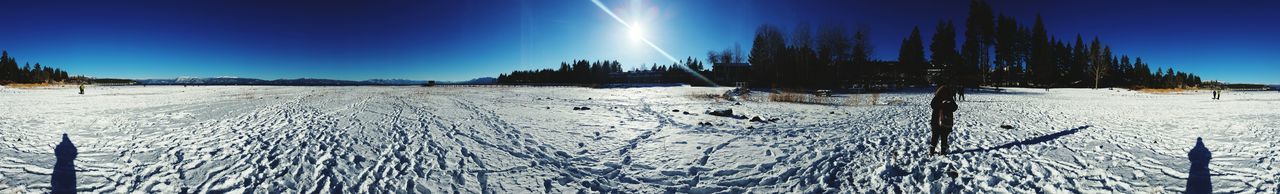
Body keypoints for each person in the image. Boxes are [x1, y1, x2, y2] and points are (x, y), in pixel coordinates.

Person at [929, 85, 959, 155]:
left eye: (946, 92)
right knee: (936, 136)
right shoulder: (937, 97)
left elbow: (955, 107)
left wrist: (948, 104)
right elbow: (933, 105)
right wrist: (943, 104)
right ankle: (932, 151)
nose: (944, 93)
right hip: (937, 120)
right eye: (943, 92)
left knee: (943, 136)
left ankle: (941, 151)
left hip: (946, 120)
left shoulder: (949, 98)